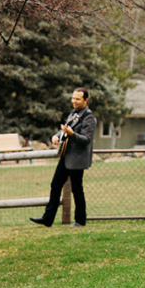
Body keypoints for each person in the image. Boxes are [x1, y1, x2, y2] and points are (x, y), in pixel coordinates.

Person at [29, 87, 96, 227]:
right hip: (66, 156)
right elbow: (64, 129)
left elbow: (86, 140)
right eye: (73, 98)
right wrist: (57, 136)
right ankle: (48, 219)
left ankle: (80, 220)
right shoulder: (73, 113)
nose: (74, 101)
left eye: (78, 99)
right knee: (55, 185)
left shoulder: (89, 117)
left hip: (77, 159)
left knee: (77, 189)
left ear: (85, 100)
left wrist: (71, 134)